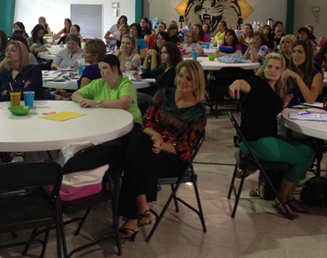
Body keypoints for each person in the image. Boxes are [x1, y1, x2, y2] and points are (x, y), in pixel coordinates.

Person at [117, 60, 207, 239]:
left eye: (189, 78)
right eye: (181, 76)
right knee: (138, 143)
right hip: (151, 146)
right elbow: (147, 122)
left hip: (174, 158)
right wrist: (156, 137)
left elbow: (186, 149)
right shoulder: (163, 94)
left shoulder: (199, 112)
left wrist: (162, 145)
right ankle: (141, 206)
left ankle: (135, 214)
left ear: (197, 82)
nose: (183, 81)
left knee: (132, 158)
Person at [229, 53, 314, 218]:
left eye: (277, 68)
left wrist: (281, 104)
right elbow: (244, 84)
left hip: (266, 137)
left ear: (282, 71)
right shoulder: (257, 83)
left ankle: (289, 197)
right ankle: (281, 199)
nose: (272, 70)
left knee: (308, 152)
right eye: (269, 66)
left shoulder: (274, 89)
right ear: (263, 68)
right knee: (300, 158)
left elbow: (265, 107)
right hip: (254, 141)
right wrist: (235, 84)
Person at [71, 53, 142, 130]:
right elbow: (75, 94)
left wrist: (96, 102)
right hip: (107, 122)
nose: (101, 72)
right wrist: (83, 101)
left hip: (130, 125)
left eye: (104, 68)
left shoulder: (126, 84)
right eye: (100, 69)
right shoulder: (98, 83)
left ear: (115, 68)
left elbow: (124, 104)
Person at [284, 40, 323, 106]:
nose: (295, 55)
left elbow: (311, 100)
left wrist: (297, 77)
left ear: (307, 55)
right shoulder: (287, 72)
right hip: (290, 109)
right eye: (293, 51)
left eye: (300, 52)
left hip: (308, 110)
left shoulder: (316, 75)